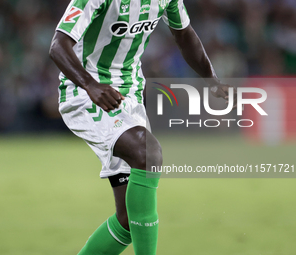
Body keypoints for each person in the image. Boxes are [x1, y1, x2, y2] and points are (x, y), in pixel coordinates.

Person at [49, 0, 233, 254]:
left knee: (127, 221)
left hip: (130, 96)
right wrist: (90, 85)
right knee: (147, 153)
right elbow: (58, 45)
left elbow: (185, 34)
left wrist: (212, 80)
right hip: (85, 91)